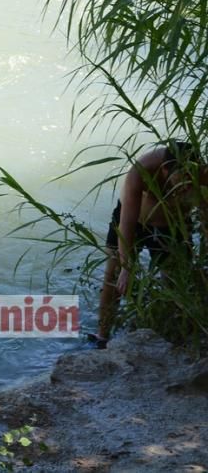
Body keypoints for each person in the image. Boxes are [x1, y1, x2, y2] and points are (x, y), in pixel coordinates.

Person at [94, 139, 204, 347]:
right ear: (164, 170)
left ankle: (172, 331)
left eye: (192, 180)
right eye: (182, 181)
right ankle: (102, 336)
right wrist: (127, 267)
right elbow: (125, 225)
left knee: (175, 279)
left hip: (172, 225)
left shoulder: (200, 171)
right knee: (114, 273)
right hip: (134, 220)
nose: (187, 186)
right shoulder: (140, 171)